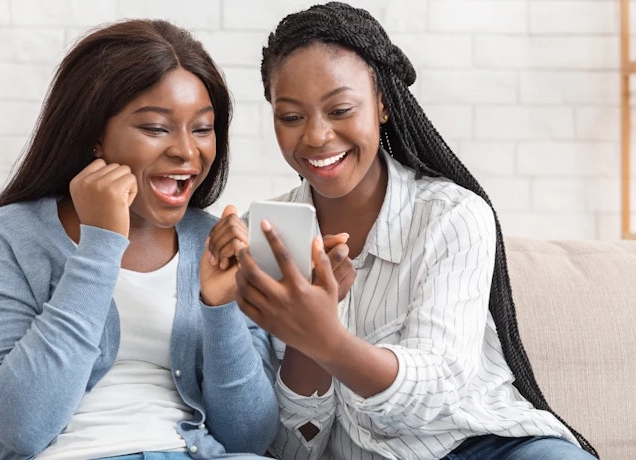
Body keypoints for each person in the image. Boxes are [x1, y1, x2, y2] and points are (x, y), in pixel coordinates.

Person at [207, 2, 598, 459]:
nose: (315, 136)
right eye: (291, 117)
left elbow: (437, 389)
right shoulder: (265, 237)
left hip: (487, 447)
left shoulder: (452, 215)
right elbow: (294, 450)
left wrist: (329, 341)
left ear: (383, 104)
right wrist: (306, 342)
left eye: (340, 109)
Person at [0, 19, 278, 460]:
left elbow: (250, 438)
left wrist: (220, 309)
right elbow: (21, 425)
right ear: (93, 134)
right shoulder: (9, 239)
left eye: (202, 128)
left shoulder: (215, 243)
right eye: (156, 128)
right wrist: (100, 246)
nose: (187, 152)